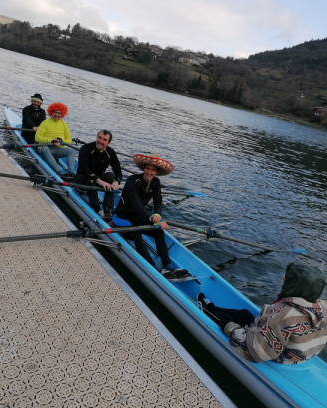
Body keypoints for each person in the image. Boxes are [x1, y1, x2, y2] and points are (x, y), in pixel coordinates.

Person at [198, 262, 327, 364]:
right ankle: (210, 306)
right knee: (244, 314)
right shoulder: (322, 308)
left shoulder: (283, 318)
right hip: (295, 351)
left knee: (224, 319)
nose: (283, 278)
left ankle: (202, 308)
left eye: (289, 279)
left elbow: (253, 350)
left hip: (272, 354)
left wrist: (230, 328)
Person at [114, 153, 188, 279]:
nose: (149, 172)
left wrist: (158, 215)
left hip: (139, 217)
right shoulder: (132, 180)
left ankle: (168, 266)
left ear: (157, 172)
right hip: (121, 217)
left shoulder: (156, 182)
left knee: (159, 231)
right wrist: (151, 219)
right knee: (136, 230)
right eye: (147, 168)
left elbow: (158, 202)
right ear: (144, 168)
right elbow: (137, 205)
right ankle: (155, 268)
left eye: (153, 170)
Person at [74, 130, 122, 217]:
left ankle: (107, 209)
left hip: (97, 179)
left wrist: (117, 181)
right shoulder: (86, 148)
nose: (100, 141)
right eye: (99, 138)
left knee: (111, 175)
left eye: (104, 140)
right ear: (96, 137)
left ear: (108, 143)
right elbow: (83, 168)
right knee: (89, 177)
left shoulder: (110, 152)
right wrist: (99, 181)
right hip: (81, 179)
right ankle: (96, 208)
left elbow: (118, 171)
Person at [35, 102, 76, 180]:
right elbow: (37, 138)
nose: (57, 115)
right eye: (55, 112)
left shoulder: (64, 124)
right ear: (51, 112)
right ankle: (58, 173)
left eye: (59, 113)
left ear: (62, 114)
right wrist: (52, 141)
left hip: (57, 149)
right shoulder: (45, 123)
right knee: (45, 148)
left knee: (71, 150)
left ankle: (70, 173)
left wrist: (61, 141)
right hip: (45, 148)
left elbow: (69, 140)